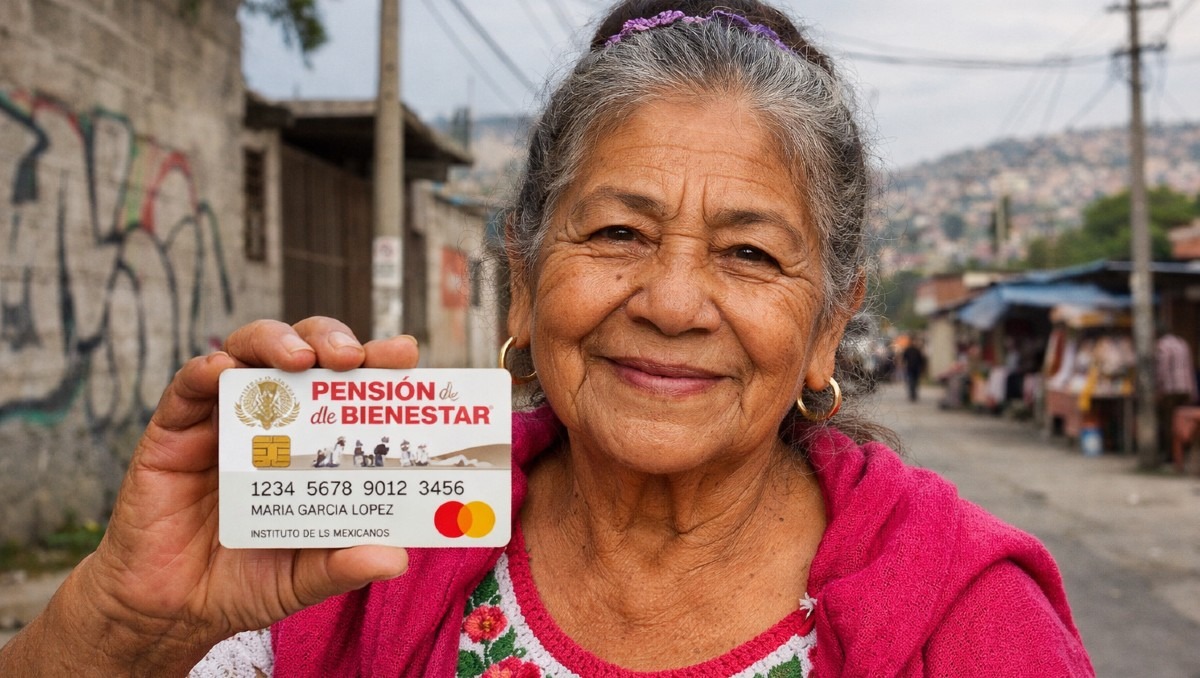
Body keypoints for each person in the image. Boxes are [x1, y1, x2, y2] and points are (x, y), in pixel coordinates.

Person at [0, 2, 1094, 676]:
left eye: (750, 254)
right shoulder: (370, 540)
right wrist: (129, 618)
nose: (672, 301)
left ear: (830, 324)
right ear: (522, 282)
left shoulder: (964, 614)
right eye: (617, 231)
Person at [1156, 329, 1197, 467]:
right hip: (1186, 389)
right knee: (1185, 423)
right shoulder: (1183, 343)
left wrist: (1158, 389)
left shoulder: (1162, 345)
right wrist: (1194, 391)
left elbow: (1162, 370)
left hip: (1171, 390)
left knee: (1170, 424)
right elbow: (1190, 368)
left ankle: (1171, 457)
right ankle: (1185, 455)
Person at [902, 336, 928, 402]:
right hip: (911, 368)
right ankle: (912, 394)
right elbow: (904, 359)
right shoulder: (909, 350)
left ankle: (913, 394)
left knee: (914, 381)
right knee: (912, 381)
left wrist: (922, 367)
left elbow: (921, 360)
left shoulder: (916, 350)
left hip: (915, 368)